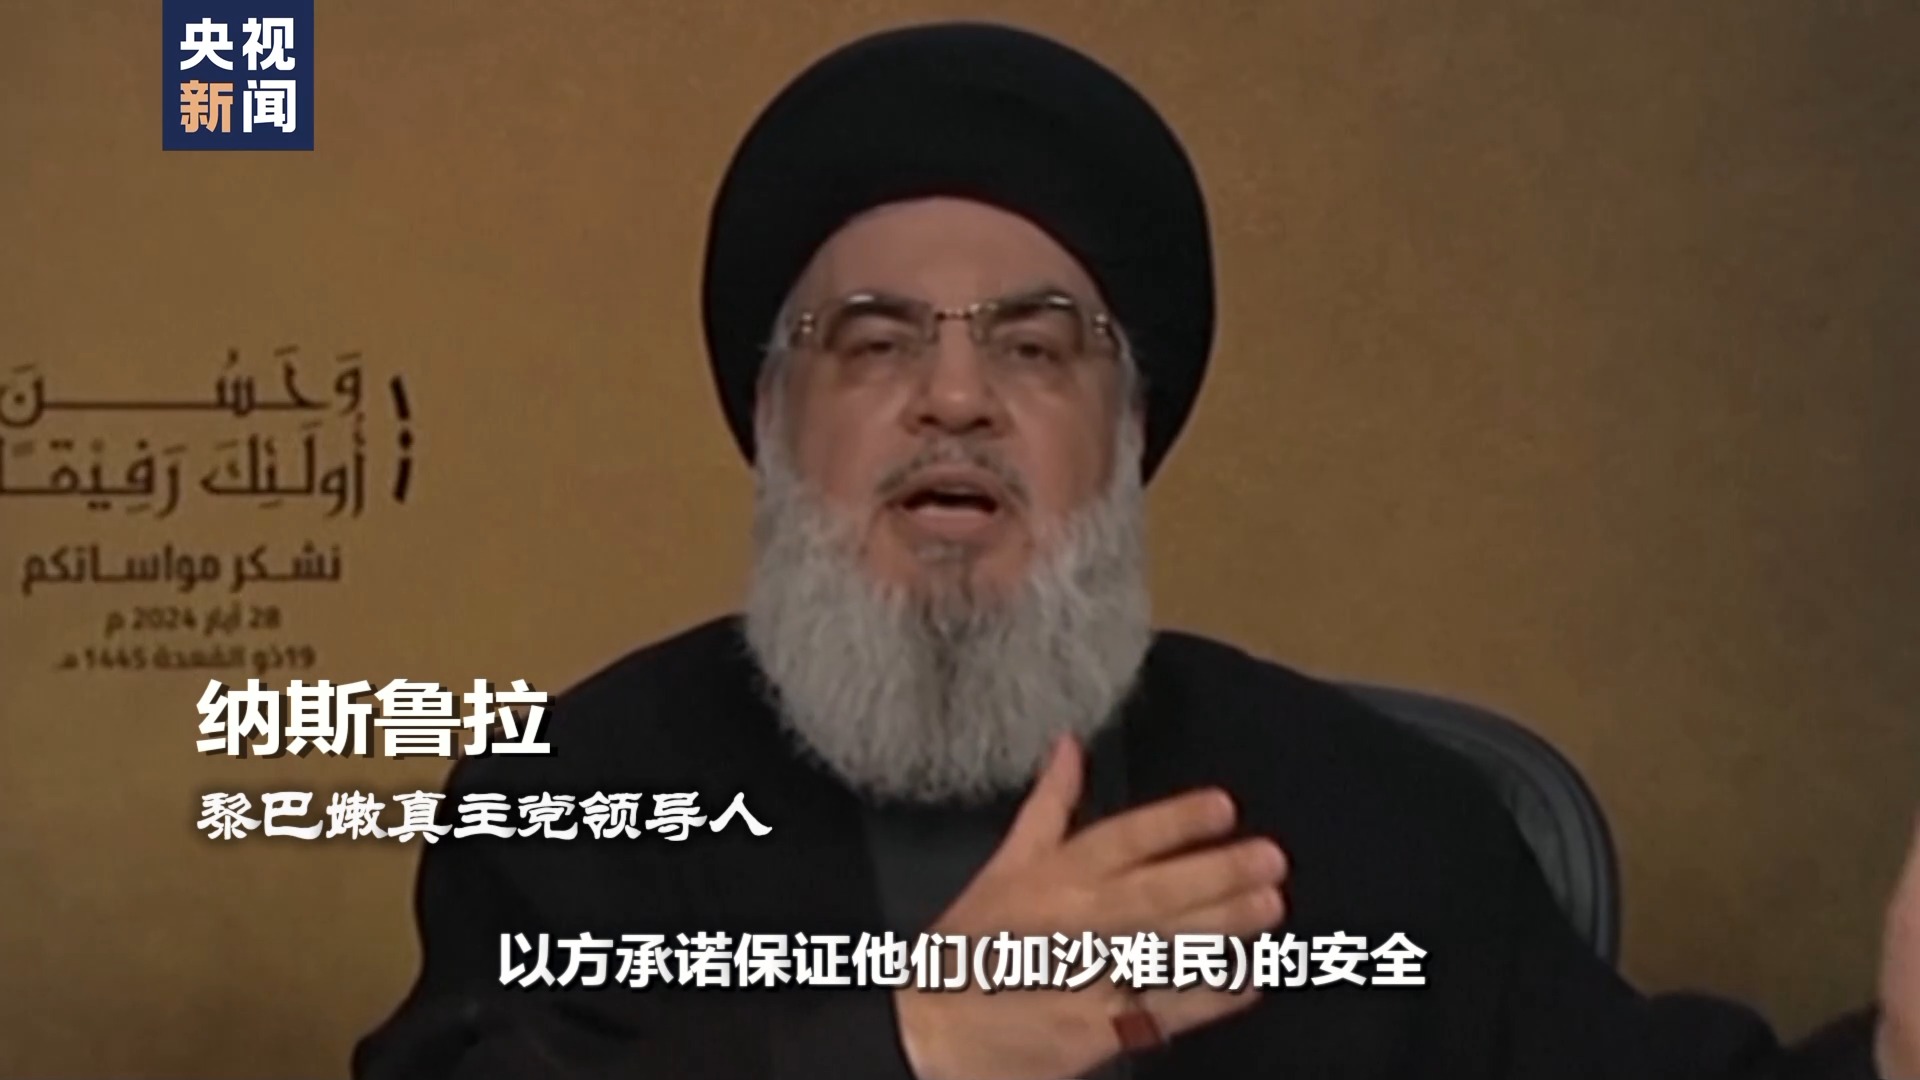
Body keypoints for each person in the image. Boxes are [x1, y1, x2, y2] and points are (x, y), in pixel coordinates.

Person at [352, 22, 1918, 1080]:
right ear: (773, 421)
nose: (954, 395)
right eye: (876, 342)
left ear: (1126, 434)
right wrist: (913, 1047)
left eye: (1037, 350)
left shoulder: (1375, 818)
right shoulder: (579, 799)